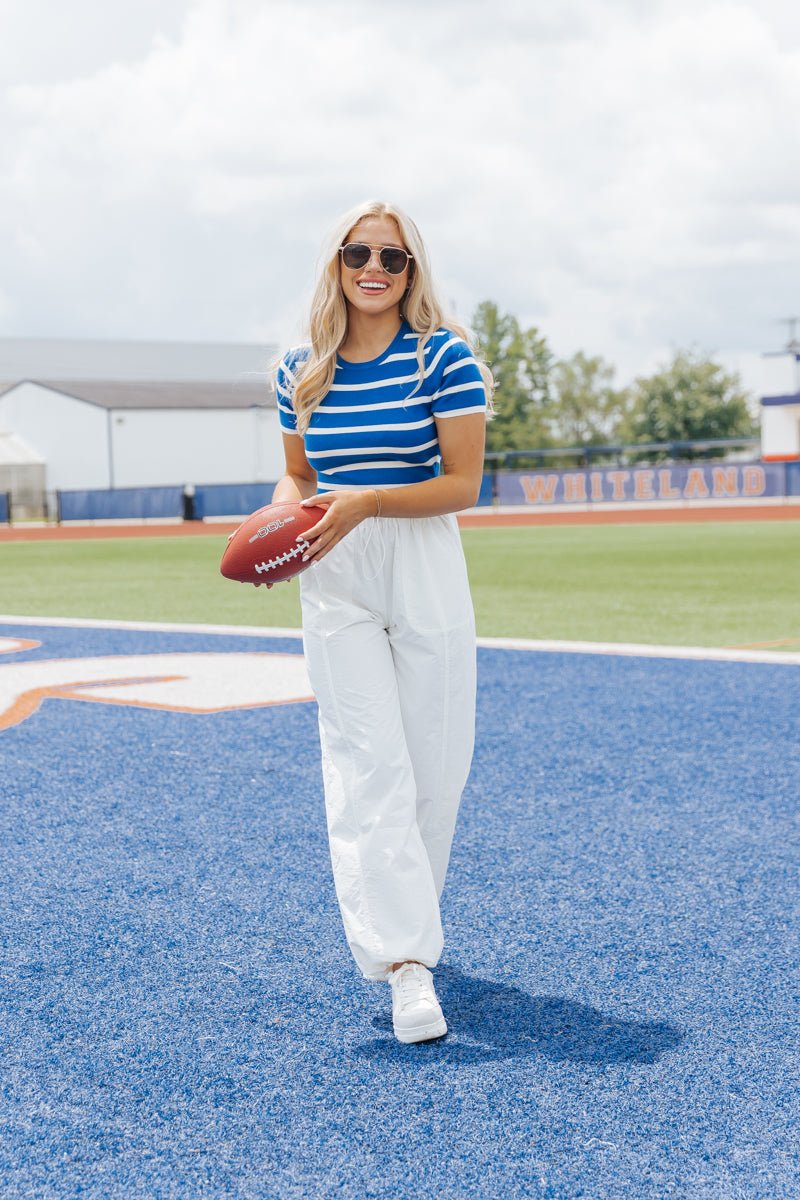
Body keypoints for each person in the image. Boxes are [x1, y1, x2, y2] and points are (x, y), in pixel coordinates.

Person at [272, 200, 493, 1044]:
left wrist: (368, 501)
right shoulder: (299, 368)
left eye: (392, 257)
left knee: (435, 766)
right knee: (368, 765)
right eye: (357, 252)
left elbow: (463, 484)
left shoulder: (445, 358)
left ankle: (408, 925)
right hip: (333, 565)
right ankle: (406, 965)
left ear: (412, 272)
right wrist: (278, 523)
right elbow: (296, 474)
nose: (374, 267)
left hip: (419, 553)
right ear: (335, 263)